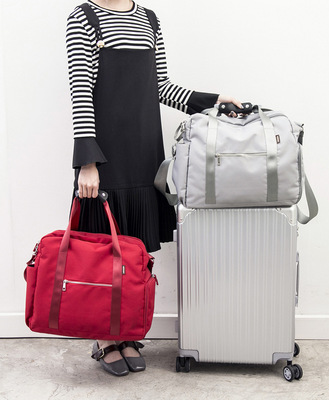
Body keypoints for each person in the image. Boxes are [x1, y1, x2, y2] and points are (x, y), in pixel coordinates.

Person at [66, 0, 242, 377]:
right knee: (103, 251)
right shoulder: (84, 18)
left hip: (145, 153)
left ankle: (126, 333)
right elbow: (80, 93)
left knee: (135, 252)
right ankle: (105, 338)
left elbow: (160, 86)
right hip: (106, 157)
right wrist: (87, 161)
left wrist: (212, 101)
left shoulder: (148, 19)